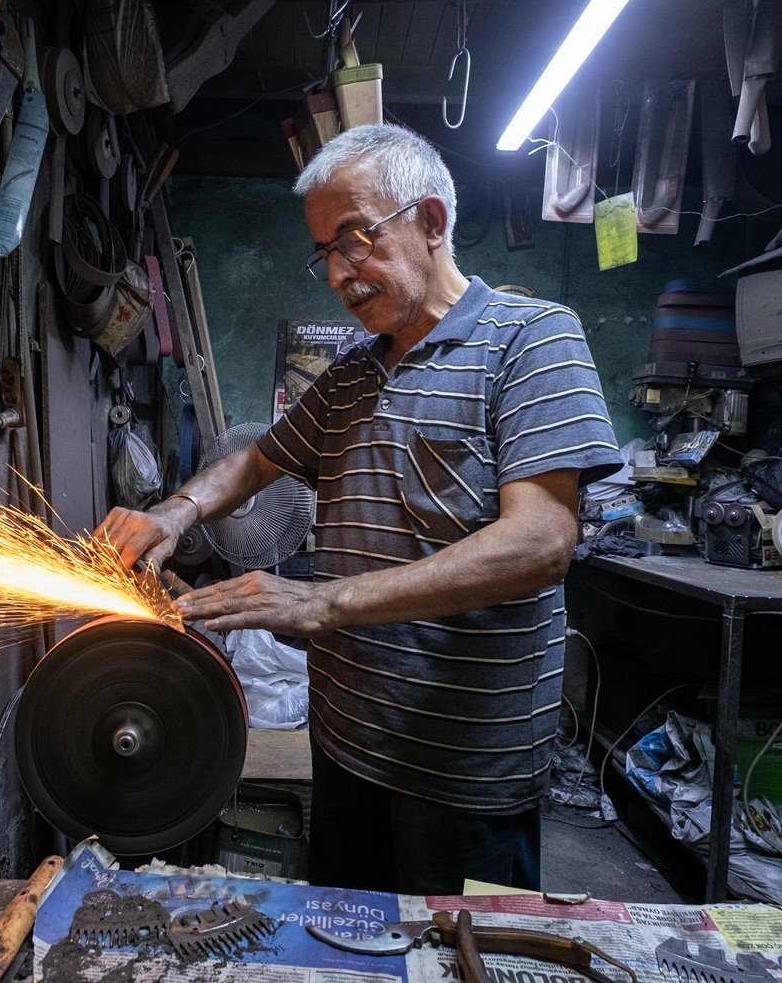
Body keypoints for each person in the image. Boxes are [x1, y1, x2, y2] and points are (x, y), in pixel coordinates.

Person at [97, 123, 622, 895]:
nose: (341, 274)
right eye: (325, 256)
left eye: (355, 240)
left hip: (465, 765)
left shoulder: (533, 340)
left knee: (457, 955)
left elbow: (542, 539)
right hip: (345, 745)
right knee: (347, 948)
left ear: (432, 221)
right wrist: (176, 511)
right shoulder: (350, 372)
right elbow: (257, 457)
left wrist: (325, 600)